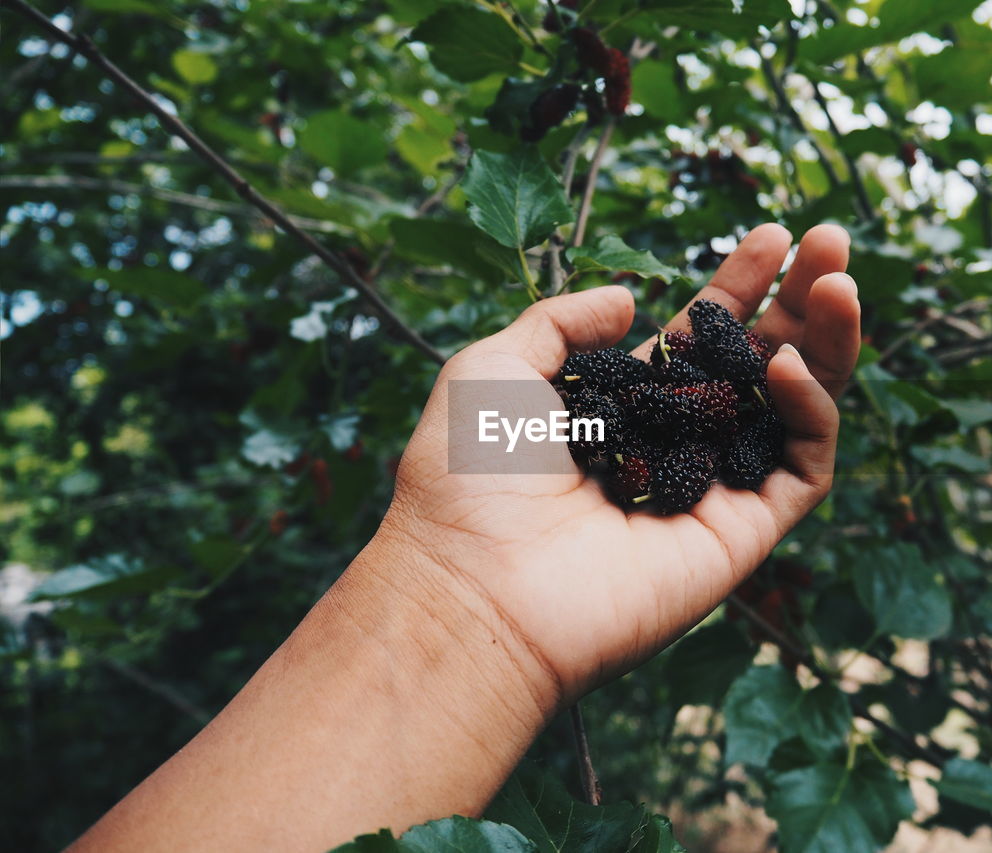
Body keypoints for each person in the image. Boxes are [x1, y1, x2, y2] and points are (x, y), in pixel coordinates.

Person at [69, 223, 861, 852]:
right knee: (629, 409)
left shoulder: (678, 420)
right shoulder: (595, 423)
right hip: (633, 444)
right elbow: (599, 422)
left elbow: (648, 420)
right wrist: (455, 575)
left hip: (675, 436)